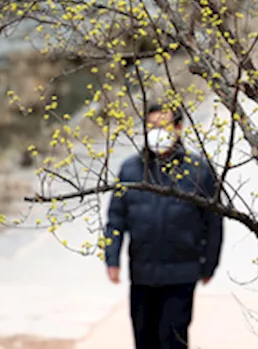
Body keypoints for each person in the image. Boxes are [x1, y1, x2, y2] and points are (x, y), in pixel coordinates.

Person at [104, 104, 224, 349]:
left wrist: (209, 264)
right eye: (152, 127)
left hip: (181, 273)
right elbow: (116, 217)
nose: (157, 132)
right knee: (144, 339)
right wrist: (112, 258)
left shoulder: (198, 170)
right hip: (142, 275)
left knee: (172, 338)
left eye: (164, 126)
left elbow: (213, 222)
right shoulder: (131, 170)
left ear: (178, 128)